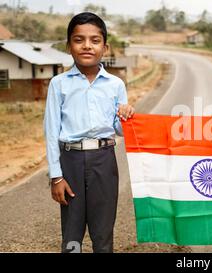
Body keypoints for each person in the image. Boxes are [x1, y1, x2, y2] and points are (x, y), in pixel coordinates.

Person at [44, 12, 134, 253]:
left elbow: (119, 130)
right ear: (69, 46)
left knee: (103, 232)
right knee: (72, 233)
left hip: (104, 160)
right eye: (79, 39)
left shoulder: (115, 85)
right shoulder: (59, 84)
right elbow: (51, 131)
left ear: (105, 47)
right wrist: (56, 176)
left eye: (95, 40)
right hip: (70, 161)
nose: (87, 46)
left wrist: (125, 115)